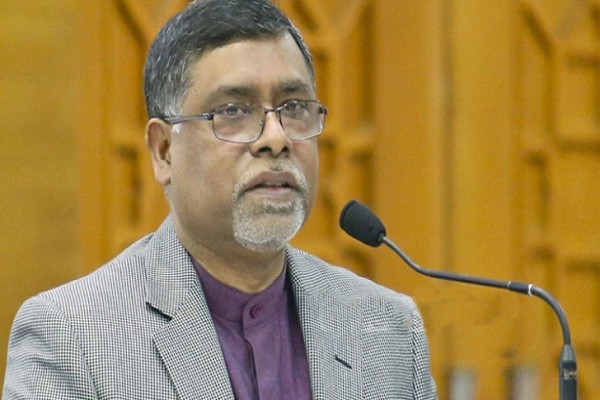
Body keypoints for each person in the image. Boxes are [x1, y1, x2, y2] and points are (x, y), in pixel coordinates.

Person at [3, 0, 437, 399]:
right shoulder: (73, 337)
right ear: (164, 151)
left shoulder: (388, 329)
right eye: (233, 111)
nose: (276, 138)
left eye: (294, 107)